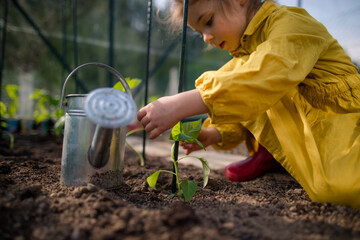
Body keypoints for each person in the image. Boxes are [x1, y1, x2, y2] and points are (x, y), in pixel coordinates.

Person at [137, 0, 360, 209]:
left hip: (343, 118)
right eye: (199, 32)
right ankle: (272, 155)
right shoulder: (244, 57)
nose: (206, 38)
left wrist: (179, 104)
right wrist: (214, 133)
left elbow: (265, 77)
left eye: (208, 21)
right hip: (305, 133)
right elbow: (246, 100)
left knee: (340, 187)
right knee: (240, 78)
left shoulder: (293, 25)